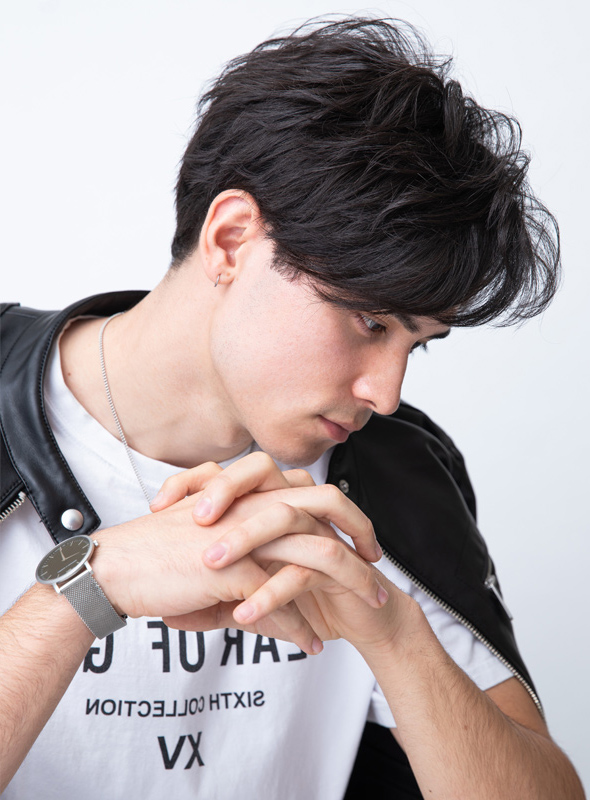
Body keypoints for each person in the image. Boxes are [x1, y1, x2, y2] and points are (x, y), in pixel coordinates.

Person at [0, 17, 584, 800]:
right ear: (232, 240)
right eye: (369, 322)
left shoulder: (395, 470)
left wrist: (394, 633)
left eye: (416, 344)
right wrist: (85, 592)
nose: (385, 393)